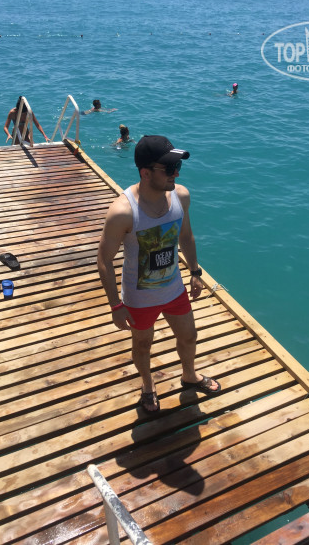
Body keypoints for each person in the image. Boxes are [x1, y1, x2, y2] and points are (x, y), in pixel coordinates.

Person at [97, 135, 221, 413]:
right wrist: (116, 305)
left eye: (178, 167)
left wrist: (195, 271)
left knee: (189, 336)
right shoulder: (122, 211)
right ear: (146, 173)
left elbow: (186, 236)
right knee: (143, 345)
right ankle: (147, 386)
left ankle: (189, 375)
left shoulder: (180, 197)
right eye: (169, 169)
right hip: (139, 298)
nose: (176, 174)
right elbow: (104, 260)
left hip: (174, 289)